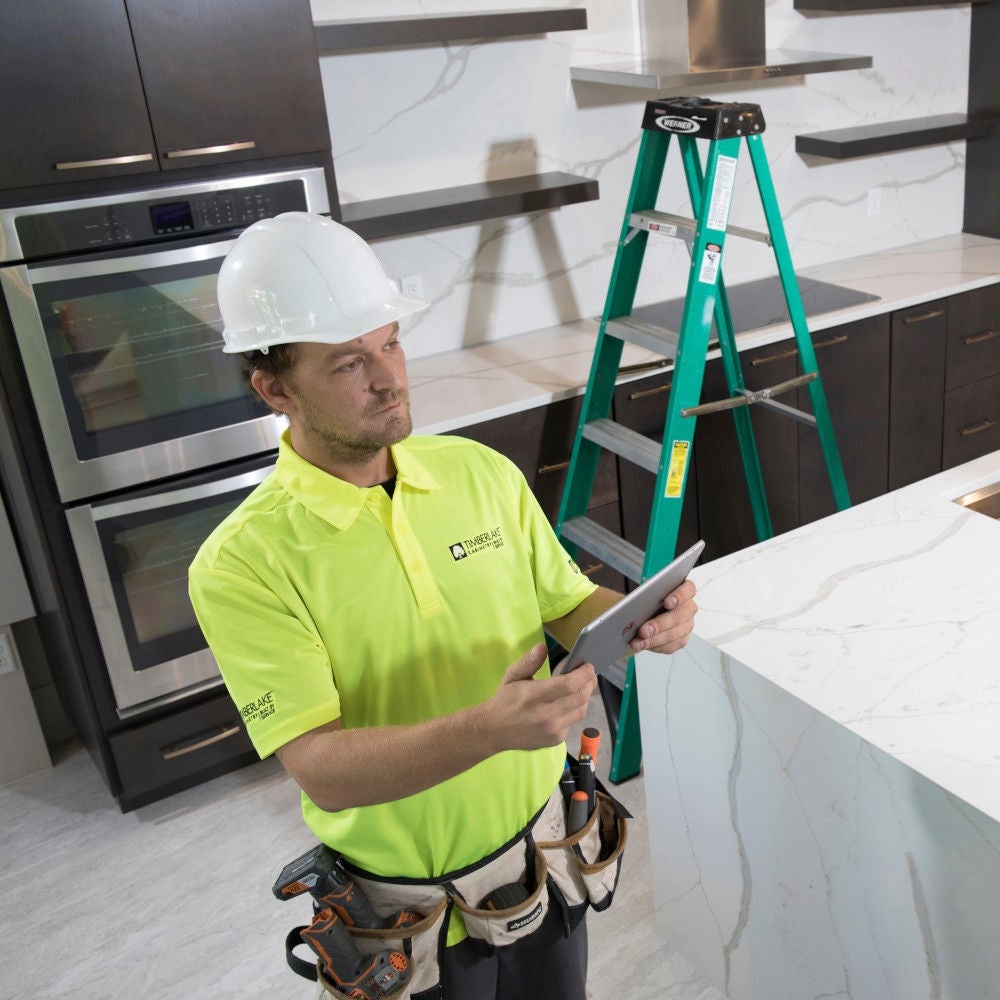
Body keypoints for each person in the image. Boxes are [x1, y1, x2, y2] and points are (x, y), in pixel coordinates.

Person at [188, 212, 698, 1000]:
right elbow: (322, 770)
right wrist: (484, 731)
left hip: (544, 862)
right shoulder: (242, 563)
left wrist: (644, 614)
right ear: (274, 387)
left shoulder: (476, 472)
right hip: (403, 917)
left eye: (391, 342)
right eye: (349, 363)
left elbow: (566, 604)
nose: (390, 378)